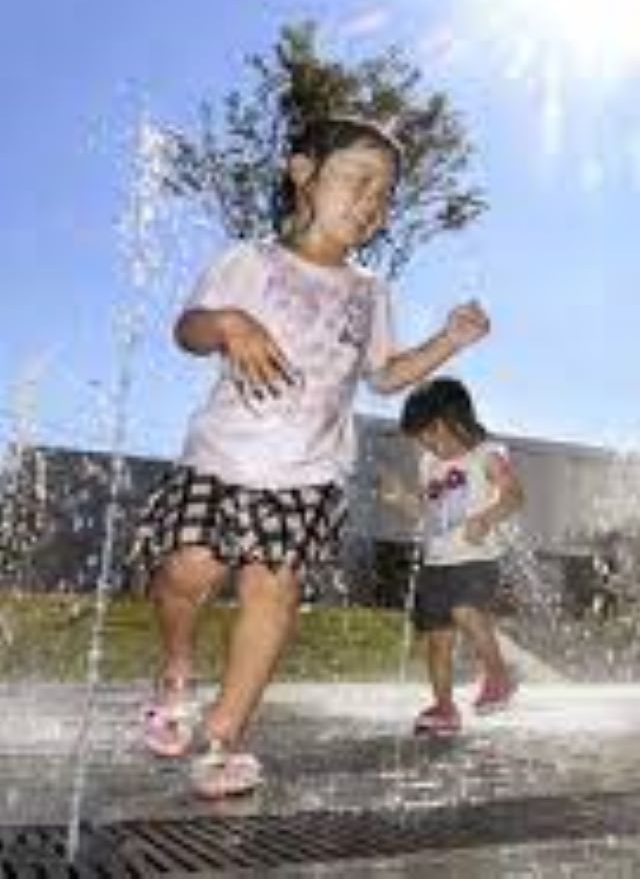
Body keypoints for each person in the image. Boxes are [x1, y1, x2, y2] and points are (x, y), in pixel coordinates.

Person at [132, 115, 490, 798]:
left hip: (307, 475)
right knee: (187, 571)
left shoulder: (370, 292)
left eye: (385, 195)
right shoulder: (251, 262)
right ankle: (176, 669)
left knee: (274, 593)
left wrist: (449, 341)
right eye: (358, 181)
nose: (371, 203)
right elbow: (188, 330)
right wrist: (230, 325)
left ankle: (224, 737)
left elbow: (384, 375)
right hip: (221, 457)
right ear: (303, 173)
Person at [381, 377, 524, 736]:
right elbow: (426, 514)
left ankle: (498, 675)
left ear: (457, 420)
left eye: (432, 434)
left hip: (475, 558)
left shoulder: (486, 454)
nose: (428, 444)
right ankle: (444, 708)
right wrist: (401, 499)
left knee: (465, 610)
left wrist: (488, 517)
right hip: (436, 563)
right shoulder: (429, 464)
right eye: (422, 439)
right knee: (437, 641)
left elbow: (514, 495)